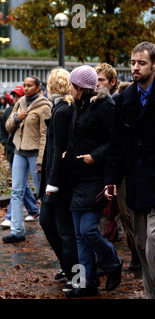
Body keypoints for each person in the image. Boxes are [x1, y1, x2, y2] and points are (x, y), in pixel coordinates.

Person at [65, 65, 122, 298]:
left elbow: (115, 140)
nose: (68, 88)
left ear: (80, 87)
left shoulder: (104, 105)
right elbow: (78, 137)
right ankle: (86, 283)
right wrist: (69, 153)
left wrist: (94, 156)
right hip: (78, 177)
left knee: (88, 230)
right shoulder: (79, 106)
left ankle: (112, 261)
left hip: (96, 176)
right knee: (79, 234)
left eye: (71, 84)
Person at [104, 41, 155, 299]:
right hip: (136, 181)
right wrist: (111, 180)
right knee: (140, 243)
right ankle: (150, 293)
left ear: (154, 65)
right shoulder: (124, 99)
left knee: (153, 244)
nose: (135, 68)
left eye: (141, 63)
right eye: (133, 63)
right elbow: (117, 145)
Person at [95, 63, 141, 270]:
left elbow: (116, 141)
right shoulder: (93, 103)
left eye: (101, 80)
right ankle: (104, 259)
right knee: (101, 216)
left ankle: (138, 257)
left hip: (119, 169)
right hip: (100, 169)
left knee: (126, 214)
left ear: (112, 83)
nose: (97, 84)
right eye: (95, 80)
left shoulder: (114, 104)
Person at [38, 68, 78, 292]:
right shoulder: (61, 108)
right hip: (55, 179)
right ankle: (68, 267)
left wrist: (51, 183)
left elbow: (58, 149)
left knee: (64, 230)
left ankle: (75, 274)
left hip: (59, 181)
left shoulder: (62, 110)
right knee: (49, 223)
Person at [4, 76, 51, 242]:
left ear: (38, 87)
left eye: (29, 85)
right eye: (24, 85)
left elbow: (45, 135)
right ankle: (17, 230)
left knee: (42, 192)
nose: (26, 88)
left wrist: (40, 160)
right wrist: (17, 118)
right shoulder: (20, 102)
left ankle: (49, 228)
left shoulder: (44, 106)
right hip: (19, 151)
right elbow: (8, 126)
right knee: (16, 191)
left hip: (35, 154)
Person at [0, 85, 39, 229]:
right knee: (19, 186)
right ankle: (32, 211)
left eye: (18, 95)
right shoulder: (11, 109)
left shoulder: (39, 107)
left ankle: (12, 216)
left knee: (23, 186)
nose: (16, 98)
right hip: (13, 152)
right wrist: (5, 142)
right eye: (14, 96)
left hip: (29, 152)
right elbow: (4, 128)